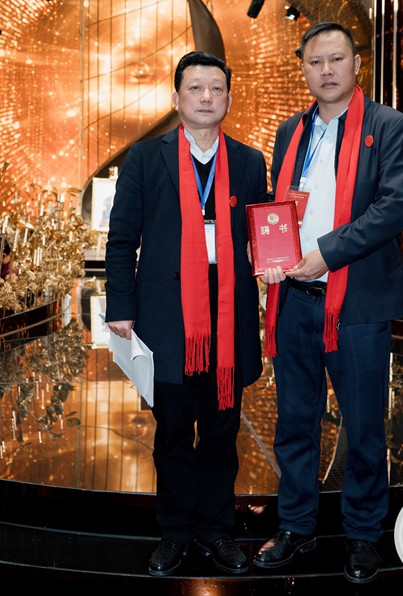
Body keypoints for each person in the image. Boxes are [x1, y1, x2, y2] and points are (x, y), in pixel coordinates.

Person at [253, 22, 403, 584]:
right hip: (294, 299)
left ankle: (364, 534)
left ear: (356, 64)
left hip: (358, 303)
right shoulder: (289, 131)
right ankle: (296, 526)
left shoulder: (388, 126)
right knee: (295, 422)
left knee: (363, 425)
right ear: (303, 67)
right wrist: (267, 250)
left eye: (336, 59)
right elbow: (280, 207)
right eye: (315, 61)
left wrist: (326, 253)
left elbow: (395, 206)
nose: (326, 70)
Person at [105, 51, 267, 577]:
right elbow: (122, 239)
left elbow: (261, 236)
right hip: (166, 317)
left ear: (228, 99)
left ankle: (217, 531)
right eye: (195, 88)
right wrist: (120, 306)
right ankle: (174, 533)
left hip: (228, 313)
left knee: (221, 430)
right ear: (176, 99)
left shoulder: (248, 162)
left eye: (215, 89)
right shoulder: (144, 158)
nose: (205, 97)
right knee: (173, 431)